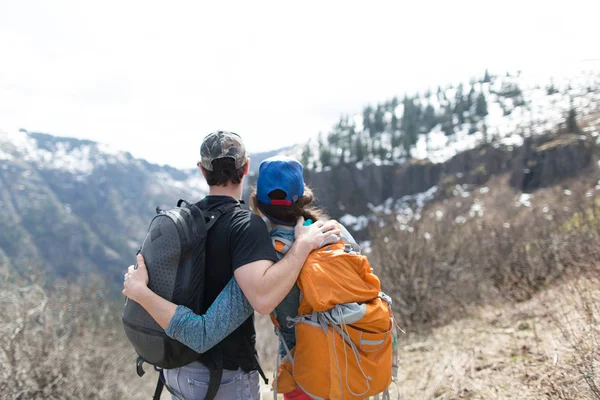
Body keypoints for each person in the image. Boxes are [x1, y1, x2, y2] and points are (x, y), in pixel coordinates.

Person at [122, 131, 340, 400]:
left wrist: (138, 291)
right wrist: (302, 246)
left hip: (175, 370)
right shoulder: (246, 227)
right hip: (221, 379)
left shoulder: (187, 219)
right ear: (246, 167)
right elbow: (261, 300)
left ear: (202, 170)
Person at [248, 155, 359, 400]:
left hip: (304, 373)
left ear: (257, 203)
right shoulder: (336, 231)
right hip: (352, 364)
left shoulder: (268, 253)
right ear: (303, 197)